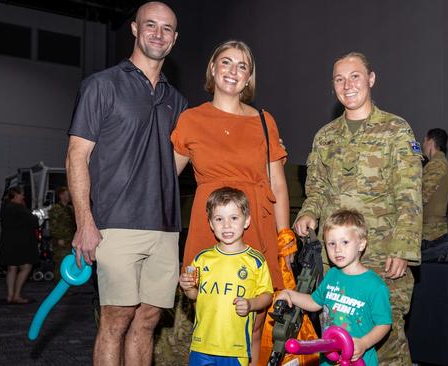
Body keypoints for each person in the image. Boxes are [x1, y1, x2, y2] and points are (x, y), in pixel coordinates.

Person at [65, 2, 188, 365]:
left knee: (148, 321)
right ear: (134, 29)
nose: (158, 34)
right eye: (150, 25)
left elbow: (177, 162)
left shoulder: (177, 101)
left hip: (165, 228)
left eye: (167, 29)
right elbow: (76, 156)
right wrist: (84, 222)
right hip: (114, 226)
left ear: (175, 38)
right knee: (115, 320)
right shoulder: (101, 86)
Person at [294, 52, 423, 365]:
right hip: (336, 261)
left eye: (355, 76)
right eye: (339, 79)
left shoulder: (395, 130)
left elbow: (409, 194)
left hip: (382, 256)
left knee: (388, 343)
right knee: (338, 342)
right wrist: (308, 213)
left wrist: (402, 249)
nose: (347, 84)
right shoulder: (325, 137)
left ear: (371, 79)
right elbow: (317, 190)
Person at [172, 39, 294, 365]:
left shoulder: (265, 122)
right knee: (213, 323)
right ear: (213, 69)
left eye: (243, 66)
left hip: (257, 224)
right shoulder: (190, 120)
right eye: (226, 62)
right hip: (208, 227)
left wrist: (285, 239)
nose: (233, 71)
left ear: (249, 77)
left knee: (254, 324)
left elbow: (279, 185)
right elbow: (162, 177)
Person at [277, 209, 391, 365]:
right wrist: (290, 294)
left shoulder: (375, 286)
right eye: (331, 243)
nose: (337, 249)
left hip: (359, 360)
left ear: (362, 244)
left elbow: (384, 324)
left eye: (345, 242)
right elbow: (314, 302)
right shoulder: (332, 275)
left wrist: (364, 343)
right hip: (329, 358)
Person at [179, 187, 273, 366]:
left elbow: (267, 296)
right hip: (201, 346)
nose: (226, 225)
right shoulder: (202, 259)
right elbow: (195, 296)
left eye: (234, 218)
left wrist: (251, 304)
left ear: (247, 221)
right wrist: (187, 286)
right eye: (219, 219)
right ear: (211, 224)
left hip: (235, 348)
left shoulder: (256, 261)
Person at [0, 186, 39, 304]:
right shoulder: (19, 208)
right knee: (26, 267)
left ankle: (10, 295)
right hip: (21, 243)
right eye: (22, 194)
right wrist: (26, 208)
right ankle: (16, 295)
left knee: (11, 268)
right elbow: (34, 221)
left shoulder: (5, 208)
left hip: (8, 243)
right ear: (16, 195)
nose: (23, 197)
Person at [421, 128, 448, 241]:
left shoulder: (436, 164)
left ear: (430, 141)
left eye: (424, 140)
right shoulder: (440, 162)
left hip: (431, 230)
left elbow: (422, 196)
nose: (422, 145)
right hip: (434, 227)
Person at [48, 186, 76, 281]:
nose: (69, 197)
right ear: (61, 195)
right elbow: (53, 226)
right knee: (61, 264)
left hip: (69, 240)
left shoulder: (69, 208)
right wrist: (59, 238)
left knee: (68, 263)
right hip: (62, 241)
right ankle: (58, 288)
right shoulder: (56, 209)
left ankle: (66, 287)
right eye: (67, 195)